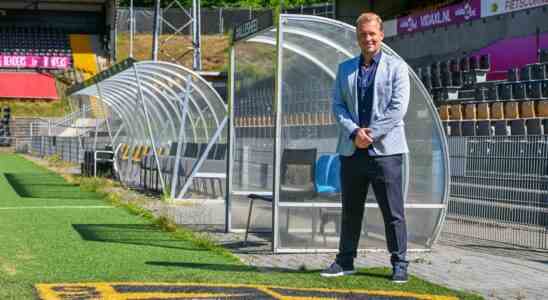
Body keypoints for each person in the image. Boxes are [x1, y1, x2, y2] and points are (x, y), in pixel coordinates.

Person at [320, 12, 410, 283]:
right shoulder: (345, 68)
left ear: (381, 35)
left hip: (386, 152)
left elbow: (398, 109)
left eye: (372, 33)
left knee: (393, 213)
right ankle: (345, 261)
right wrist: (353, 132)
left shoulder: (397, 67)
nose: (368, 38)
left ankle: (400, 264)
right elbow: (337, 106)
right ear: (357, 37)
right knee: (350, 210)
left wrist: (370, 134)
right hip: (352, 151)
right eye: (363, 34)